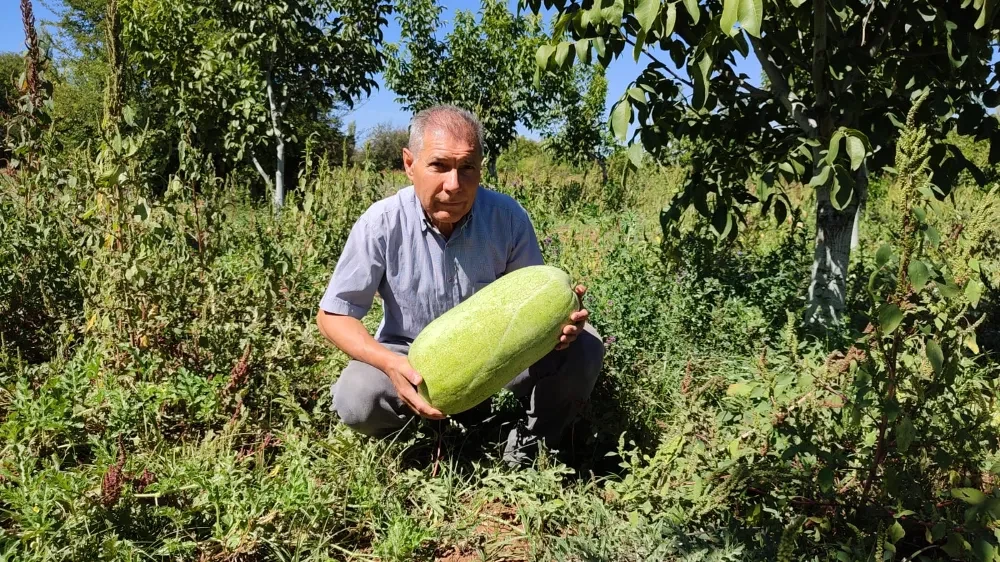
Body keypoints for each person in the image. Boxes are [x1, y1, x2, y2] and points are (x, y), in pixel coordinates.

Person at [315, 104, 604, 466]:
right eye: (439, 166)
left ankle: (530, 449)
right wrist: (389, 363)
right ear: (409, 164)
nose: (454, 185)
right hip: (408, 359)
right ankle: (415, 448)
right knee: (357, 397)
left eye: (467, 168)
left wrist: (561, 330)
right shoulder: (381, 223)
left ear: (480, 167)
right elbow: (333, 315)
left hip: (499, 358)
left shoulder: (507, 217)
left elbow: (537, 300)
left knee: (586, 346)